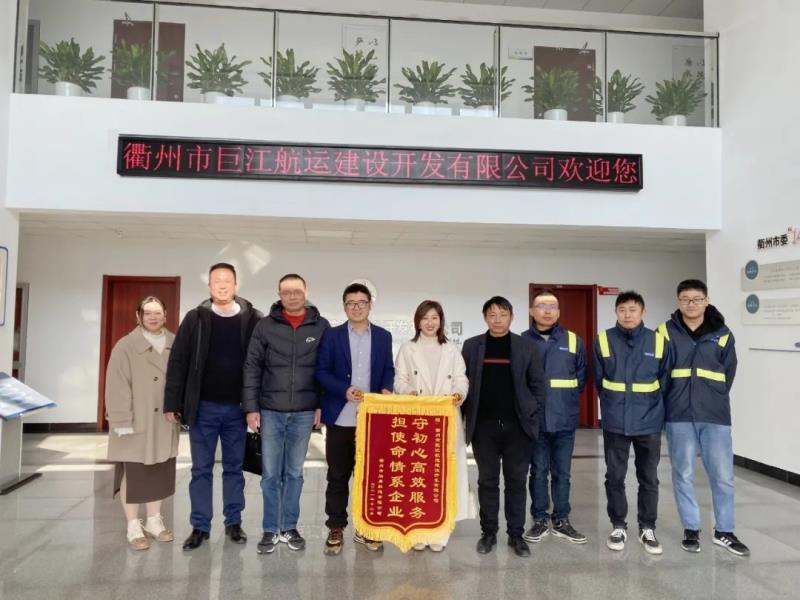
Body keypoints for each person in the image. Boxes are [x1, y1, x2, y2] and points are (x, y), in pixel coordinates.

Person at [164, 263, 262, 551]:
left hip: (237, 409)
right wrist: (172, 402)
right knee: (201, 469)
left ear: (235, 284)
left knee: (234, 468)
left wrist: (256, 405)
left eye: (227, 280)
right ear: (209, 286)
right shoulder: (195, 318)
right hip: (203, 408)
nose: (222, 285)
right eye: (216, 281)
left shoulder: (252, 318)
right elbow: (178, 361)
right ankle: (200, 526)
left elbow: (261, 363)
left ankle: (233, 522)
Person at [658, 279, 749, 556]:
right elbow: (660, 371)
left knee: (722, 475)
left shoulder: (722, 333)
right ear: (678, 301)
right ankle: (691, 529)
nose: (691, 304)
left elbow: (728, 372)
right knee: (683, 473)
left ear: (706, 300)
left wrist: (713, 395)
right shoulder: (665, 331)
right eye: (685, 299)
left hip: (714, 414)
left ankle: (724, 531)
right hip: (678, 413)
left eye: (697, 299)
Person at [243, 274, 330, 555]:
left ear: (306, 292)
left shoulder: (320, 326)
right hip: (270, 411)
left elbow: (326, 368)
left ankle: (290, 526)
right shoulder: (265, 326)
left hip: (304, 411)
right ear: (279, 294)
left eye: (297, 291)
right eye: (286, 292)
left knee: (294, 473)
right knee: (270, 474)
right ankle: (271, 528)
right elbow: (252, 367)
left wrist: (321, 404)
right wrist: (251, 408)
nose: (292, 296)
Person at [461, 296, 546, 558]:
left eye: (503, 314)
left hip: (517, 428)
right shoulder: (472, 346)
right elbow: (463, 384)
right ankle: (488, 533)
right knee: (486, 481)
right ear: (485, 317)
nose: (497, 319)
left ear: (511, 317)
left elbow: (538, 385)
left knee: (516, 482)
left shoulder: (526, 346)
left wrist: (531, 413)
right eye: (492, 314)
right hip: (483, 427)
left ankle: (516, 535)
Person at [316, 282, 394, 555]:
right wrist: (343, 390)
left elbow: (388, 369)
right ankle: (336, 527)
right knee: (338, 475)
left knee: (369, 478)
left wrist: (386, 389)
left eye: (361, 302)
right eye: (351, 303)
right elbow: (321, 372)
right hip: (341, 417)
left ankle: (366, 527)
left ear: (370, 305)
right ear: (344, 306)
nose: (357, 307)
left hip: (372, 421)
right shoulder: (332, 335)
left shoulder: (383, 336)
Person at [594, 290, 670, 556]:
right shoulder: (603, 340)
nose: (627, 315)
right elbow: (599, 381)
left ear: (643, 312)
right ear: (616, 312)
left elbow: (665, 381)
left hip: (649, 421)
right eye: (622, 309)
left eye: (633, 309)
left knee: (648, 477)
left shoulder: (658, 341)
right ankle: (618, 525)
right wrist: (612, 405)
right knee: (614, 476)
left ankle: (647, 527)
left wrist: (653, 410)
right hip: (615, 421)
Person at [394, 300, 471, 552]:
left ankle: (439, 530)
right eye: (425, 317)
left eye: (434, 318)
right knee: (419, 476)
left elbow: (461, 378)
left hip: (446, 418)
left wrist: (458, 394)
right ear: (417, 321)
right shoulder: (407, 349)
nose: (429, 322)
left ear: (441, 321)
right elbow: (399, 380)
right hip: (418, 418)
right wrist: (408, 392)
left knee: (444, 475)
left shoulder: (451, 349)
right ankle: (418, 529)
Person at [105, 296, 179, 550]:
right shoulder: (125, 345)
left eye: (158, 312)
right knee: (134, 471)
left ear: (165, 315)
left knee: (160, 470)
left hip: (164, 420)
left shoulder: (174, 342)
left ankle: (154, 520)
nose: (153, 317)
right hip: (136, 420)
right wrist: (121, 419)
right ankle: (133, 525)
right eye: (147, 313)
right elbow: (116, 385)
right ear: (138, 316)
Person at [522, 289, 588, 545]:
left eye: (552, 306)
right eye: (542, 306)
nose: (547, 311)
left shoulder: (573, 341)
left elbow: (580, 378)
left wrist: (564, 402)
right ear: (532, 311)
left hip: (564, 419)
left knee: (563, 473)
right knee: (538, 472)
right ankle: (539, 519)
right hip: (535, 421)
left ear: (559, 312)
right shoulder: (522, 341)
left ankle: (561, 519)